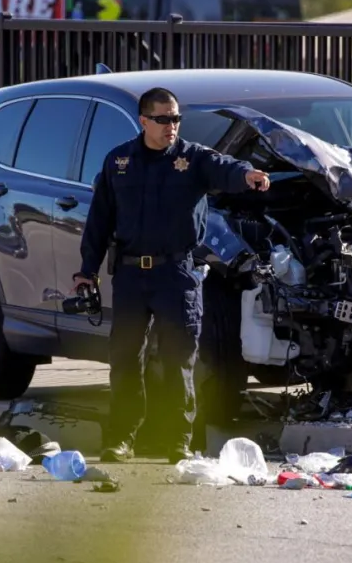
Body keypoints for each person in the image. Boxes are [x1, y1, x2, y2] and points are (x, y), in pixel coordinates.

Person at [74, 87, 270, 464]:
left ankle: (176, 441)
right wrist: (86, 271)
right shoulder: (119, 162)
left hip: (176, 274)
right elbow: (99, 221)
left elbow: (225, 168)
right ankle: (122, 438)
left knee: (180, 358)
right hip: (131, 274)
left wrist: (249, 175)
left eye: (176, 118)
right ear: (144, 121)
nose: (171, 126)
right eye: (163, 119)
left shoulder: (192, 158)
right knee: (125, 358)